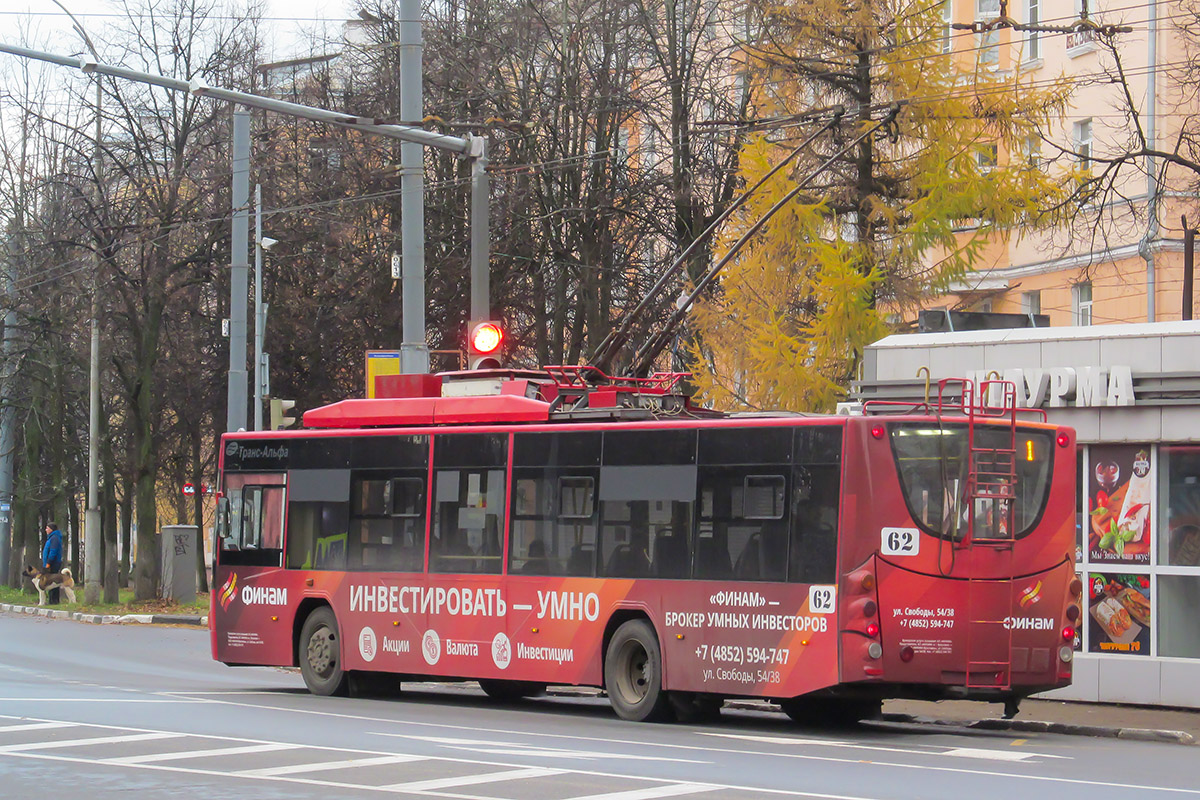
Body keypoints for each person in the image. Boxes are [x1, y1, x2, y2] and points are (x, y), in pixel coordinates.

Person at [42, 522, 64, 605]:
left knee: (52, 582)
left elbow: (53, 551)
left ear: (51, 529)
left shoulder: (54, 538)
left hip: (53, 563)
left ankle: (53, 601)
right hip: (52, 562)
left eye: (47, 528)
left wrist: (48, 562)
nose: (46, 530)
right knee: (52, 581)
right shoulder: (52, 537)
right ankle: (52, 600)